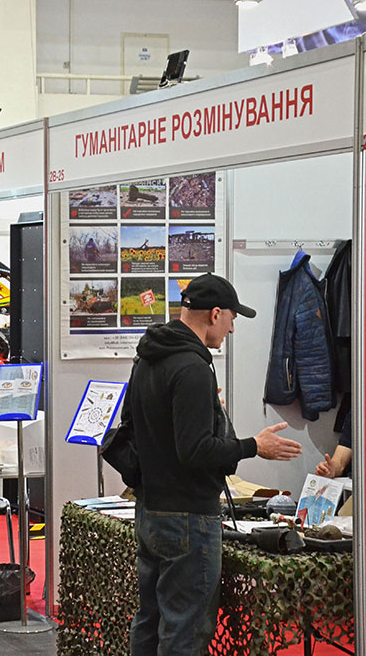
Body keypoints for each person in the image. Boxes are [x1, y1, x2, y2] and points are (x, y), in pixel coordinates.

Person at [128, 273, 303, 655]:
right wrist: (254, 446)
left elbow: (136, 426)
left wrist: (204, 408)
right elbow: (195, 451)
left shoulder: (148, 358)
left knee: (149, 622)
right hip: (187, 517)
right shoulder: (191, 367)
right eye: (231, 319)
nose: (232, 329)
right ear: (215, 314)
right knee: (185, 632)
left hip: (150, 508)